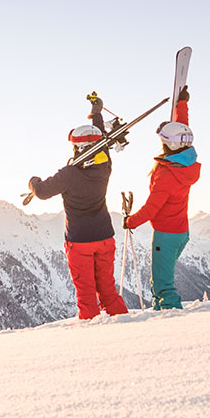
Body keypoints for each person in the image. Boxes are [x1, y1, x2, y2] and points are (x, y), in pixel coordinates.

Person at [28, 95, 129, 320]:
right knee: (108, 291)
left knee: (86, 295)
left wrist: (33, 182)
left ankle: (90, 338)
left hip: (80, 242)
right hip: (105, 237)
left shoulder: (69, 175)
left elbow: (43, 192)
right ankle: (125, 328)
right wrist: (96, 114)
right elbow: (101, 140)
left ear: (79, 146)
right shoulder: (104, 166)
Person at [122, 85, 201, 309]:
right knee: (160, 280)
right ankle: (161, 317)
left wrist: (130, 221)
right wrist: (182, 104)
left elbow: (152, 208)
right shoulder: (187, 163)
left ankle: (170, 322)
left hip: (166, 235)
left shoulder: (167, 175)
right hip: (181, 232)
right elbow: (182, 131)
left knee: (162, 286)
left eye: (163, 141)